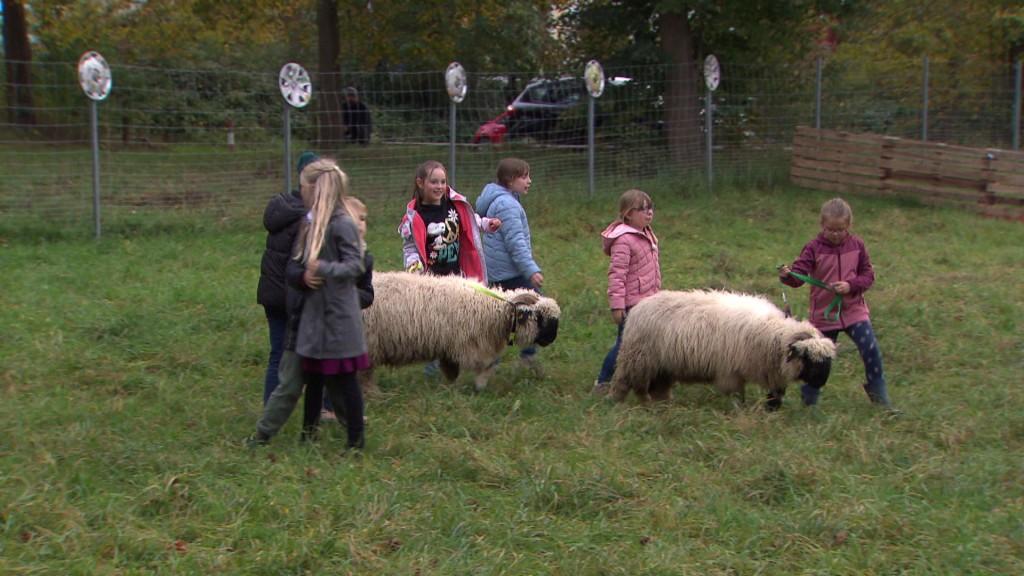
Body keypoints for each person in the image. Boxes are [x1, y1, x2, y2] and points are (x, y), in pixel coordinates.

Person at [248, 158, 369, 451]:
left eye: (302, 186)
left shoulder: (342, 224)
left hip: (338, 316)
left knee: (345, 380)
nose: (299, 191)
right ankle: (308, 436)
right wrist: (303, 275)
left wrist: (324, 269)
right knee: (315, 375)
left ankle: (356, 442)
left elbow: (356, 266)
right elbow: (294, 266)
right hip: (314, 315)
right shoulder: (311, 223)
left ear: (315, 188)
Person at [778, 197, 895, 411]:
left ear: (848, 226)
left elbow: (868, 274)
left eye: (840, 230)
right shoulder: (813, 248)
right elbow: (798, 277)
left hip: (854, 311)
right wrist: (787, 276)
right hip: (823, 316)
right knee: (819, 360)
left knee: (871, 350)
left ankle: (879, 395)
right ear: (822, 225)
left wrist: (851, 286)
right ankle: (809, 402)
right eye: (830, 229)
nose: (835, 234)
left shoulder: (857, 245)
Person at [256, 151, 319, 405]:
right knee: (319, 353)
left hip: (272, 294)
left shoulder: (281, 209)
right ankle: (325, 407)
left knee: (278, 353)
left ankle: (269, 409)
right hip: (294, 296)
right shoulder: (309, 218)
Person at [308, 196, 374, 425]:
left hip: (348, 323)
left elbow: (367, 293)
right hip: (324, 319)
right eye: (354, 219)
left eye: (364, 219)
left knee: (346, 376)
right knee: (320, 375)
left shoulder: (366, 257)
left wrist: (350, 298)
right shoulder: (330, 249)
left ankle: (353, 428)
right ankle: (313, 425)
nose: (360, 224)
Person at [475, 157, 544, 367]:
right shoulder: (507, 205)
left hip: (497, 271)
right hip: (511, 272)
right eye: (524, 177)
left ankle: (492, 361)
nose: (529, 181)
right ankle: (527, 356)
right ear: (510, 180)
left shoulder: (502, 198)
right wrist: (531, 270)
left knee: (504, 315)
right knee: (538, 307)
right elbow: (516, 244)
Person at [592, 189, 661, 395]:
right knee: (624, 345)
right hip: (632, 303)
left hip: (648, 301)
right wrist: (617, 306)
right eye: (642, 209)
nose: (648, 212)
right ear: (628, 213)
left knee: (649, 344)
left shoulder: (645, 233)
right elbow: (617, 275)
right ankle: (603, 381)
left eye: (650, 207)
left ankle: (649, 383)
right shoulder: (624, 240)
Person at [399, 160, 501, 279]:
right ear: (420, 183)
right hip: (431, 280)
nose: (439, 186)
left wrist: (488, 224)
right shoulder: (414, 217)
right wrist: (413, 263)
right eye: (434, 182)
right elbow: (410, 247)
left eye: (443, 182)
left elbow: (472, 221)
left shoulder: (455, 205)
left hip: (457, 276)